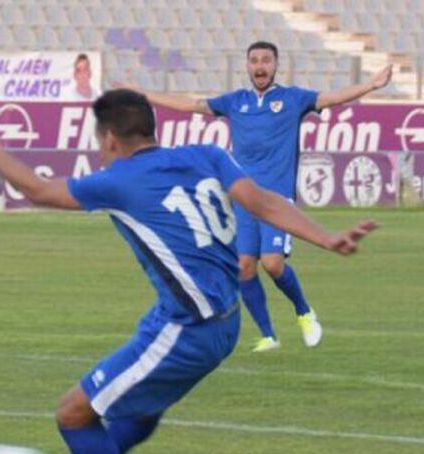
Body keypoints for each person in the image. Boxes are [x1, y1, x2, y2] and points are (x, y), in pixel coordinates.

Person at [0, 89, 377, 454]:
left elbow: (38, 190)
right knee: (143, 405)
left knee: (73, 413)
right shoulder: (206, 155)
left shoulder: (118, 180)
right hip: (218, 320)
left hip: (190, 328)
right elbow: (263, 202)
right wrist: (327, 238)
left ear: (107, 139)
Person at [121, 41, 392, 352]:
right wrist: (143, 95)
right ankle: (268, 335)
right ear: (247, 66)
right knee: (244, 266)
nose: (260, 66)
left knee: (273, 264)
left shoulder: (293, 98)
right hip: (243, 198)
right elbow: (192, 104)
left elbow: (331, 98)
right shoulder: (236, 101)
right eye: (254, 61)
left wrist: (371, 84)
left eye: (266, 60)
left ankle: (304, 312)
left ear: (275, 65)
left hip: (276, 200)